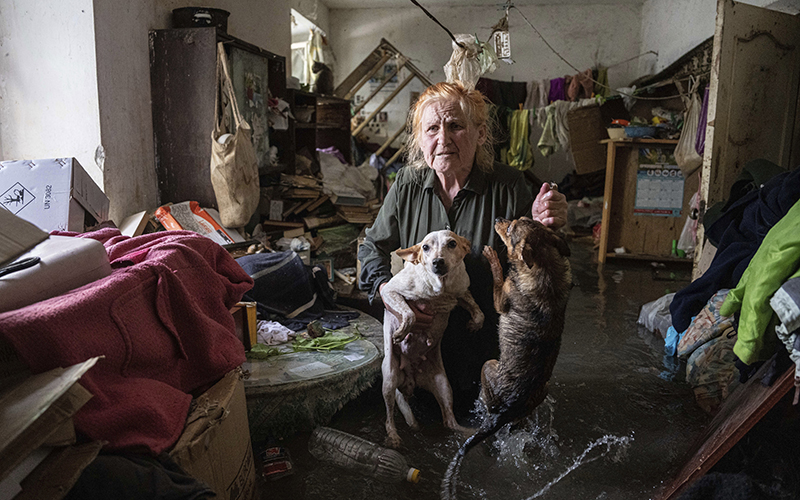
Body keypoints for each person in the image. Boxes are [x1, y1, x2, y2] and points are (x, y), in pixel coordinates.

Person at [358, 81, 568, 414]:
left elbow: (542, 262)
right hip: (421, 347)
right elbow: (372, 247)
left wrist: (546, 223)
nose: (443, 139)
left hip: (485, 351)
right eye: (431, 129)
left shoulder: (509, 185)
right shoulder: (406, 185)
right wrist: (385, 292)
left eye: (455, 126)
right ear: (419, 138)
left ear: (481, 134)